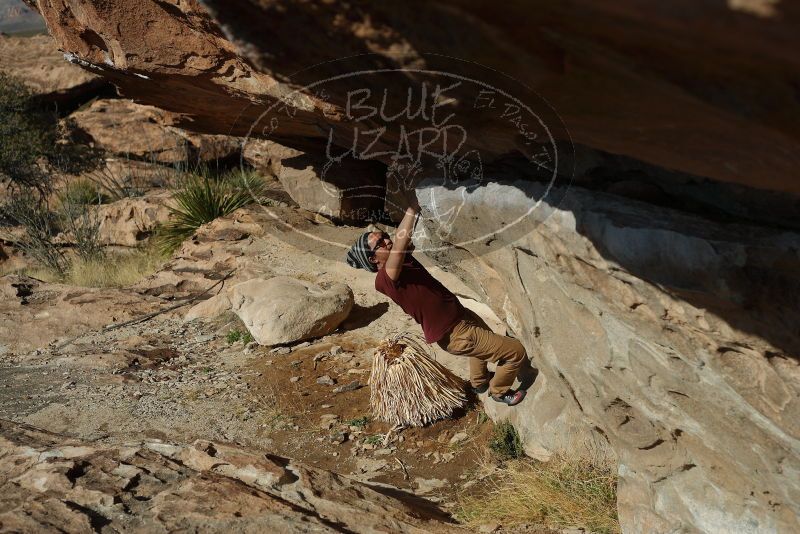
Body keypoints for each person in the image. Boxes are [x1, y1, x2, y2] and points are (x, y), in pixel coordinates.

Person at [345, 190, 527, 406]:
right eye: (380, 244)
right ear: (373, 259)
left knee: (483, 342)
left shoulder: (403, 261)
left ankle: (479, 382)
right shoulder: (385, 279)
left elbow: (405, 242)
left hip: (460, 316)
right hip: (455, 333)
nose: (386, 240)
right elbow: (402, 241)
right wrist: (412, 208)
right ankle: (499, 390)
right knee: (516, 351)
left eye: (384, 236)